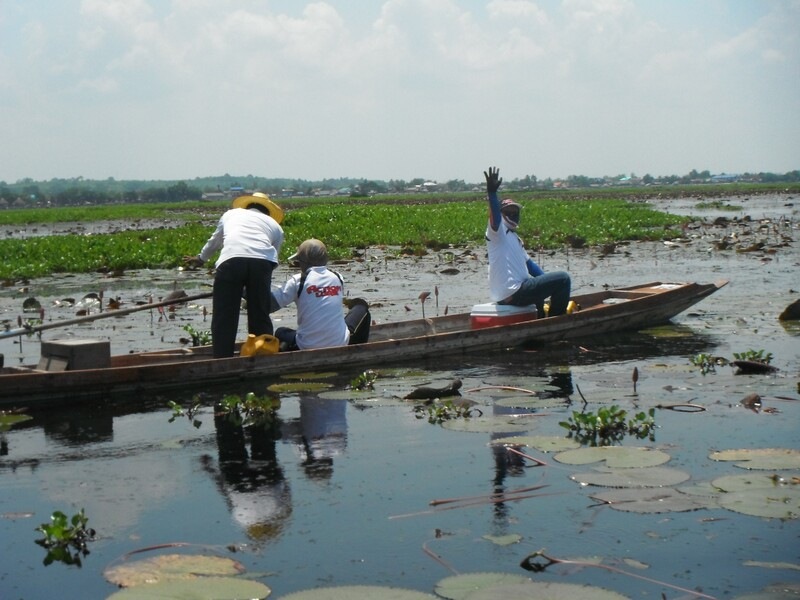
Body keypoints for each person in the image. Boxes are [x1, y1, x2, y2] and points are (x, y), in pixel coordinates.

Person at [184, 192, 284, 358]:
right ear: (267, 211)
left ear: (247, 206)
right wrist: (255, 288)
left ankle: (222, 358)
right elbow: (272, 257)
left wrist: (201, 258)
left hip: (231, 261)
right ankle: (263, 355)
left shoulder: (230, 214)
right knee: (259, 313)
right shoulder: (275, 226)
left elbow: (215, 241)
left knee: (225, 315)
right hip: (262, 264)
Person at [484, 166, 571, 317]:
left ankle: (541, 322)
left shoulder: (515, 239)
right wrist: (492, 193)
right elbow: (495, 219)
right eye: (508, 212)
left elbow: (531, 267)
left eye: (515, 212)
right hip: (515, 292)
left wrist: (548, 284)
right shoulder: (497, 233)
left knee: (540, 300)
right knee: (563, 279)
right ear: (501, 214)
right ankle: (557, 321)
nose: (513, 214)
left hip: (516, 292)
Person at [270, 238, 370, 351]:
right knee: (361, 307)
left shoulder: (298, 281)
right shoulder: (337, 277)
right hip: (340, 342)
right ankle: (358, 352)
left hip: (306, 346)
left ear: (303, 263)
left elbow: (270, 305)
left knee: (280, 332)